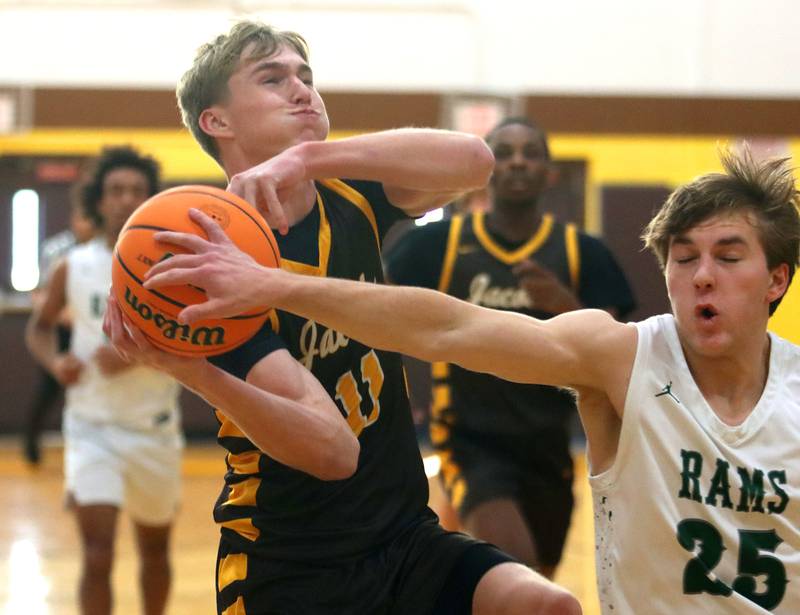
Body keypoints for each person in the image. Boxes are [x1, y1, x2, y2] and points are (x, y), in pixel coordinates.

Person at [141, 147, 800, 614]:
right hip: (469, 449)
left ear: (778, 278)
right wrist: (270, 283)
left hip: (540, 453)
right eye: (684, 259)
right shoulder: (624, 356)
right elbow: (446, 329)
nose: (702, 276)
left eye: (729, 257)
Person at [105, 20, 580, 615]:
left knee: (546, 606)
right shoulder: (208, 259)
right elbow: (334, 452)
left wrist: (308, 157)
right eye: (272, 79)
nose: (302, 90)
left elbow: (474, 161)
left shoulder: (347, 195)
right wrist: (192, 370)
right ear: (217, 121)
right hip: (289, 562)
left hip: (405, 537)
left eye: (307, 76)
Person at [383, 117, 635, 576]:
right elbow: (371, 308)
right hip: (470, 441)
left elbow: (616, 358)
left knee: (537, 581)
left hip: (549, 447)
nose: (518, 161)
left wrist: (565, 306)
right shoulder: (439, 244)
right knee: (517, 571)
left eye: (530, 152)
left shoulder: (583, 253)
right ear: (485, 168)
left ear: (550, 173)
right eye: (505, 151)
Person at [26, 146, 183, 615]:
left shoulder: (173, 265)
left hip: (153, 426)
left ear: (152, 198)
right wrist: (56, 364)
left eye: (136, 190)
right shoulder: (71, 266)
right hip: (91, 427)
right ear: (98, 200)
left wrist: (136, 357)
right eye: (115, 190)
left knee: (154, 551)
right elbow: (39, 328)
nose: (125, 198)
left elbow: (197, 338)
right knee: (97, 553)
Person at [23, 195, 97, 465]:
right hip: (62, 330)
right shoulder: (57, 249)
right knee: (49, 388)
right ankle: (31, 446)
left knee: (94, 383)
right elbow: (40, 294)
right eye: (83, 218)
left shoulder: (108, 249)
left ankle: (91, 449)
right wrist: (64, 314)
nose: (88, 224)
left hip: (92, 329)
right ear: (74, 219)